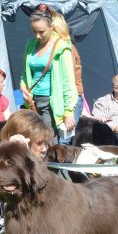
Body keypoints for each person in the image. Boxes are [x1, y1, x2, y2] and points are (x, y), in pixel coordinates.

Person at [19, 4, 77, 144]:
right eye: (34, 32)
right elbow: (25, 73)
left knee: (48, 143)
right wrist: (23, 85)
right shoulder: (31, 45)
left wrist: (68, 111)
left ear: (51, 27)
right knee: (32, 142)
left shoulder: (62, 48)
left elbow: (68, 81)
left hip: (50, 104)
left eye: (41, 32)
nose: (37, 36)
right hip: (32, 103)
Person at [50, 11, 85, 143]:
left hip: (71, 99)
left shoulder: (67, 49)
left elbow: (68, 82)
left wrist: (68, 112)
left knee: (64, 140)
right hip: (57, 99)